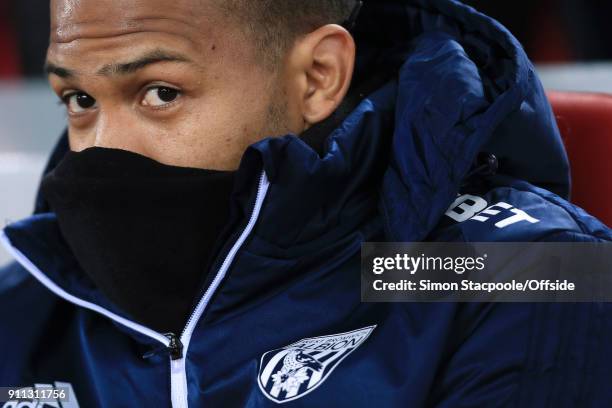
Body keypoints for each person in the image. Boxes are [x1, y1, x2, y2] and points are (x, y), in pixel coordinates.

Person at [1, 0, 611, 407]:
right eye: (79, 99)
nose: (102, 151)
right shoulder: (31, 304)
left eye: (161, 92)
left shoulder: (535, 269)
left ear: (318, 76)